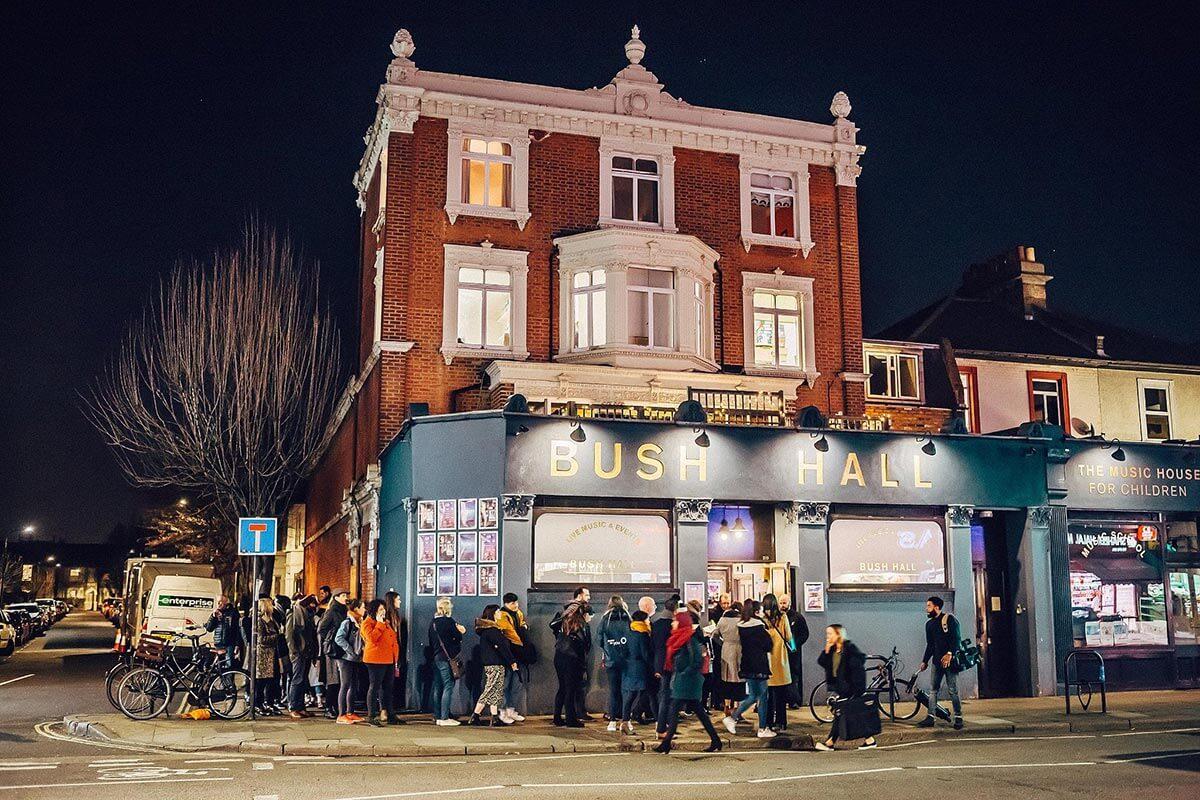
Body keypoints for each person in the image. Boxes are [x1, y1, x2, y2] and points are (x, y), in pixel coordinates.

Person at [652, 611, 722, 754]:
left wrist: (684, 673)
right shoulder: (680, 639)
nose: (673, 623)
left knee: (674, 711)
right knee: (698, 712)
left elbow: (697, 661)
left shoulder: (689, 640)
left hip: (687, 682)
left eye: (675, 621)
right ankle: (716, 740)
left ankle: (666, 743)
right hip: (684, 681)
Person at [815, 624, 879, 750]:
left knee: (842, 714)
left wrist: (856, 691)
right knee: (851, 715)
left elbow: (858, 670)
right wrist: (826, 651)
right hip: (841, 688)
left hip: (851, 689)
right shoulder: (834, 650)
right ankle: (870, 740)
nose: (827, 637)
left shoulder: (849, 649)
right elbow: (823, 663)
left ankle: (830, 742)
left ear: (838, 634)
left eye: (830, 634)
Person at [726, 600, 774, 738]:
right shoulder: (759, 627)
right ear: (757, 611)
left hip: (747, 663)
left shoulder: (741, 626)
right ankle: (762, 728)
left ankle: (733, 717)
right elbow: (768, 645)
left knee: (753, 695)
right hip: (759, 664)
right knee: (763, 696)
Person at [468, 604, 518, 727]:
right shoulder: (493, 631)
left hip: (491, 664)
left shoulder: (486, 631)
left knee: (496, 690)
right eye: (498, 612)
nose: (500, 614)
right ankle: (475, 715)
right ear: (493, 614)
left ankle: (494, 718)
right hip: (495, 663)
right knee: (490, 690)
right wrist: (512, 661)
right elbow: (503, 647)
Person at [918, 595, 964, 730]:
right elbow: (930, 645)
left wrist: (950, 654)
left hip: (950, 662)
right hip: (936, 662)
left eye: (929, 606)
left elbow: (956, 639)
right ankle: (930, 717)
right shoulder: (929, 624)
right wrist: (925, 661)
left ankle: (958, 717)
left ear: (936, 607)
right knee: (933, 690)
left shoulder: (949, 620)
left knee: (953, 691)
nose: (926, 609)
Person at [550, 587, 592, 719]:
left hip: (560, 654)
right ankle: (571, 718)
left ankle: (557, 717)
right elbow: (583, 645)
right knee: (570, 688)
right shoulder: (576, 628)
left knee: (563, 688)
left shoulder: (565, 626)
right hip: (571, 657)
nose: (590, 617)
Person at [360, 598, 400, 726]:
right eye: (381, 609)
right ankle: (371, 716)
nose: (383, 612)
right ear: (374, 610)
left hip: (388, 659)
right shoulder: (368, 623)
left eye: (384, 609)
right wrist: (379, 624)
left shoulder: (385, 623)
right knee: (374, 687)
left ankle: (390, 714)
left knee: (388, 688)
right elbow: (371, 638)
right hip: (375, 660)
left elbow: (391, 639)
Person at [429, 596, 465, 726]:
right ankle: (444, 718)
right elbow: (457, 637)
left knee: (438, 686)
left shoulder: (433, 623)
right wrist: (461, 631)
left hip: (437, 657)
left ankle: (438, 716)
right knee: (449, 685)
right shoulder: (449, 622)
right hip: (447, 658)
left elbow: (431, 641)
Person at [598, 595, 632, 732]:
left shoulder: (605, 620)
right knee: (626, 691)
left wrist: (607, 650)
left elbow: (599, 639)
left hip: (611, 659)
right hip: (627, 660)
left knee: (613, 690)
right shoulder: (628, 618)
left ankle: (612, 721)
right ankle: (626, 720)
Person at [495, 592, 530, 723]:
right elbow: (509, 633)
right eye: (512, 603)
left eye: (516, 602)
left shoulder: (518, 613)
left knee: (517, 683)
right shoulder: (501, 615)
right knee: (505, 683)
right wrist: (521, 642)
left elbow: (522, 625)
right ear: (506, 603)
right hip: (509, 653)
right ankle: (502, 711)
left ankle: (511, 709)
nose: (515, 605)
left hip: (519, 653)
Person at [316, 588, 349, 719]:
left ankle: (335, 706)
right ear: (336, 597)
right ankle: (329, 707)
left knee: (339, 680)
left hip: (340, 649)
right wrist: (330, 638)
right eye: (343, 595)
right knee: (333, 680)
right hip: (332, 650)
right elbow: (321, 629)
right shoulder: (331, 612)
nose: (345, 597)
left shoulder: (343, 611)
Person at [762, 593, 793, 731]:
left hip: (767, 660)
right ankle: (781, 722)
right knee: (781, 694)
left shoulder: (762, 619)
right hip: (780, 659)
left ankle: (768, 722)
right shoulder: (782, 617)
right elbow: (788, 636)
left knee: (767, 695)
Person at [284, 594, 318, 718]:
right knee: (297, 679)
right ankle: (293, 706)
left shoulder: (308, 615)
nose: (314, 607)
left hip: (307, 651)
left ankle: (300, 706)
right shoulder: (294, 613)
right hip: (299, 652)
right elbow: (289, 634)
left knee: (303, 680)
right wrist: (294, 651)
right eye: (312, 604)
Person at [651, 595, 680, 736]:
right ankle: (663, 726)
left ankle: (663, 724)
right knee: (668, 695)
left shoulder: (655, 624)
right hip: (671, 663)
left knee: (664, 693)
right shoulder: (673, 626)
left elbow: (653, 647)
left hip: (659, 662)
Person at [333, 599, 365, 724]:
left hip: (355, 659)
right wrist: (350, 650)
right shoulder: (347, 622)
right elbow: (339, 638)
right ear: (356, 609)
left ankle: (350, 712)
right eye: (362, 607)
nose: (365, 610)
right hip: (346, 659)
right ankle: (341, 715)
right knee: (345, 685)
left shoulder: (359, 622)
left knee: (353, 685)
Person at [623, 607, 653, 733]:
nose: (649, 622)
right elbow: (646, 654)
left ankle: (627, 720)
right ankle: (658, 724)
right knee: (648, 692)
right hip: (641, 668)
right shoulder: (643, 635)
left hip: (630, 667)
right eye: (647, 619)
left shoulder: (629, 633)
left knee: (631, 694)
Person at [713, 600, 745, 716]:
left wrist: (723, 643)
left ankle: (726, 705)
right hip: (739, 650)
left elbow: (715, 635)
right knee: (738, 679)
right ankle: (737, 707)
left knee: (726, 679)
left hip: (726, 649)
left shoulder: (722, 620)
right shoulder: (741, 620)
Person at [779, 594, 810, 709]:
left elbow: (805, 634)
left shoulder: (798, 617)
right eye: (781, 603)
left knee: (793, 675)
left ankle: (794, 700)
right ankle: (788, 699)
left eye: (784, 603)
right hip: (781, 651)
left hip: (793, 652)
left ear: (789, 603)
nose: (782, 605)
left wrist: (795, 645)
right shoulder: (778, 618)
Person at [253, 596, 281, 716]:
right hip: (264, 655)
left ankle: (269, 703)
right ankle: (258, 704)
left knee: (272, 680)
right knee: (261, 682)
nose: (273, 606)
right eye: (270, 604)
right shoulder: (260, 620)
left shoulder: (271, 619)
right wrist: (277, 636)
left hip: (272, 653)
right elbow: (261, 639)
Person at [383, 590, 407, 723]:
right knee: (384, 684)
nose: (400, 601)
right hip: (386, 654)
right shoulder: (387, 617)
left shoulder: (397, 617)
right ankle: (384, 710)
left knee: (390, 683)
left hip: (395, 654)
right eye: (398, 599)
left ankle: (389, 711)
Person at [204, 595, 242, 670]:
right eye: (218, 602)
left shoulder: (233, 613)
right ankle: (220, 680)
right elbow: (209, 628)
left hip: (230, 643)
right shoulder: (216, 613)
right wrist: (213, 617)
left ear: (226, 603)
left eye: (221, 602)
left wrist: (237, 644)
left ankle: (228, 681)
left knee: (229, 665)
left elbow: (237, 629)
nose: (219, 604)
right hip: (218, 643)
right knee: (219, 666)